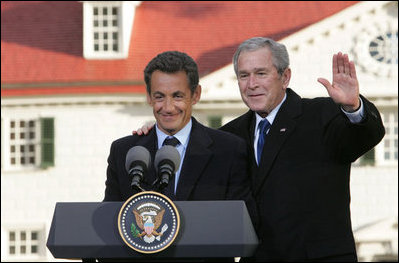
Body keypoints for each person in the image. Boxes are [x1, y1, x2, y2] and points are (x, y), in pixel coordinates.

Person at [133, 38, 385, 262]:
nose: (251, 84)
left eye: (261, 73)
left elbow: (364, 136)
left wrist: (353, 108)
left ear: (285, 77)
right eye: (244, 75)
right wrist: (159, 134)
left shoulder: (321, 114)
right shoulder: (230, 135)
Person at [103, 51, 256, 226]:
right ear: (148, 96)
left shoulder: (229, 150)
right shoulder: (124, 152)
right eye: (159, 96)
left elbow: (245, 223)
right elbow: (110, 222)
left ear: (196, 94)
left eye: (177, 96)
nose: (168, 108)